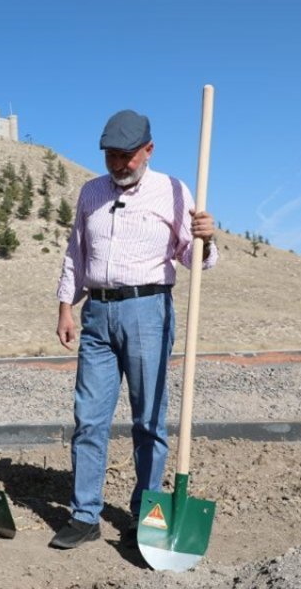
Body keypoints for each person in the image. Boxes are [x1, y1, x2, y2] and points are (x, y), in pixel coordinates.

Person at [50, 109, 218, 550]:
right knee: (88, 419)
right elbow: (76, 254)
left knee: (148, 421)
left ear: (148, 150)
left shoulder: (173, 192)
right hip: (97, 316)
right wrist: (66, 306)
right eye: (111, 157)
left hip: (148, 311)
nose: (119, 165)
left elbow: (192, 258)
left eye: (127, 156)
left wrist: (205, 238)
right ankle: (85, 515)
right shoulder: (90, 193)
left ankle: (148, 515)